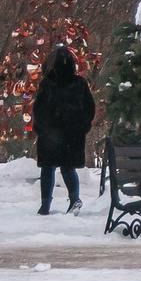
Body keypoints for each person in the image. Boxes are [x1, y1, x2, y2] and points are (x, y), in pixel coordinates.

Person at [31, 46, 95, 215]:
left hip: (49, 134)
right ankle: (74, 199)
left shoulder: (48, 83)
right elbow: (90, 107)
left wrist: (40, 128)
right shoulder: (79, 83)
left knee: (47, 169)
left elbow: (38, 109)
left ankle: (45, 205)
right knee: (68, 168)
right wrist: (83, 126)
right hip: (72, 135)